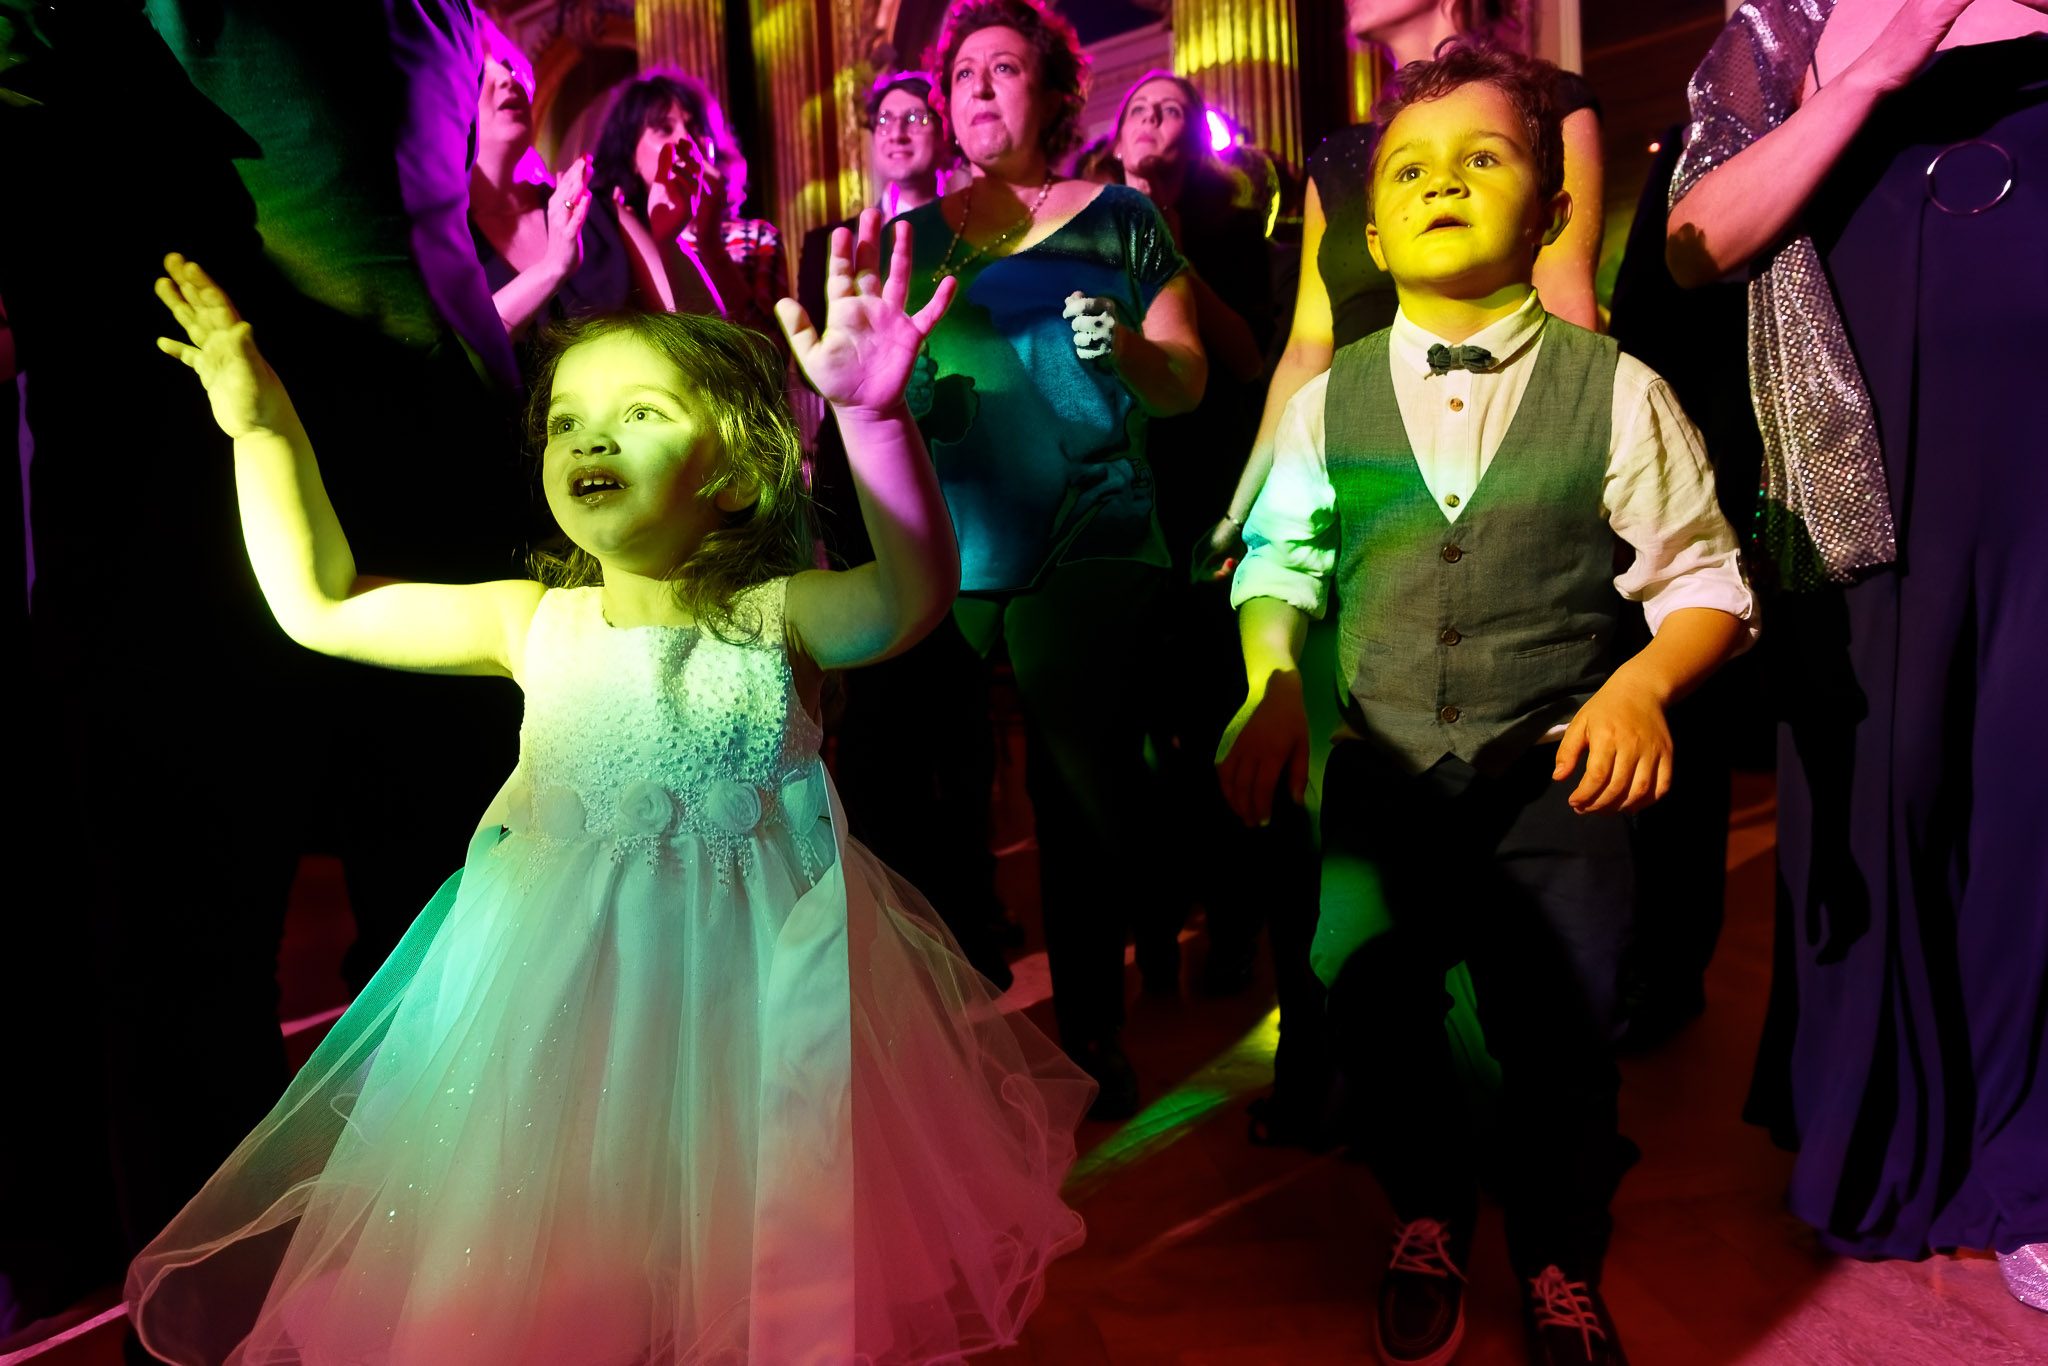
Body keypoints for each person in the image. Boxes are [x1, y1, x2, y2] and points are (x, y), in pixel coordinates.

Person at [126, 212, 1093, 1364]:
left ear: (733, 472)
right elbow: (319, 604)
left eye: (641, 414)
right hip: (551, 1022)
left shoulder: (771, 614)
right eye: (570, 420)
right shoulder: (529, 620)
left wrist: (872, 419)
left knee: (742, 1260)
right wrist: (259, 425)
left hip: (750, 1017)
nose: (595, 437)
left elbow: (906, 599)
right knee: (559, 1271)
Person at [1218, 43, 1755, 1366]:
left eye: (1483, 158)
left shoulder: (1617, 392)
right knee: (1379, 1009)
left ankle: (1562, 1250)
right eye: (1409, 169)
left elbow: (1708, 579)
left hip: (1555, 771)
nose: (1439, 183)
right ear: (1370, 223)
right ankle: (1425, 1210)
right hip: (1387, 772)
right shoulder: (1329, 397)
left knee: (1562, 1025)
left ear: (1555, 209)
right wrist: (1269, 683)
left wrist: (1642, 680)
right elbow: (1279, 559)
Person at [1666, 0, 2048, 1308]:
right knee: (1881, 801)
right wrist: (1884, 69)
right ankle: (1885, 1139)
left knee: (2032, 814)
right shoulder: (1787, 21)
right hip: (1862, 485)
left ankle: (2033, 1166)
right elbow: (1696, 237)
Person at [893, 0, 1207, 1119]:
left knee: (1079, 798)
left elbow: (1187, 377)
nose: (979, 87)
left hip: (1093, 534)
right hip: (950, 542)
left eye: (1006, 68)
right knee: (928, 797)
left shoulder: (1119, 216)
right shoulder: (914, 234)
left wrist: (1126, 347)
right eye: (963, 71)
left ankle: (1090, 1030)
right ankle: (934, 1037)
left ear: (1054, 93)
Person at [1086, 69, 1296, 1017]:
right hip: (1116, 502)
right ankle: (1153, 921)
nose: (1158, 120)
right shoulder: (1081, 224)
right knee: (1131, 730)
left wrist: (1165, 247)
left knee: (1215, 713)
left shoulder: (1225, 232)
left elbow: (1251, 356)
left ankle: (1234, 923)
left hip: (1207, 496)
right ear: (1115, 133)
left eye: (1175, 109)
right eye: (1143, 108)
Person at [467, 19, 716, 354]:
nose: (504, 77)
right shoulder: (448, 238)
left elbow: (700, 343)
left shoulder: (599, 211)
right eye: (479, 70)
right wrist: (551, 268)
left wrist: (669, 239)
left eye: (511, 65)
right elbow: (459, 355)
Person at [592, 71, 789, 337]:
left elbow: (771, 353)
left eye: (696, 127)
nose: (686, 139)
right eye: (664, 128)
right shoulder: (621, 242)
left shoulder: (755, 238)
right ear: (630, 156)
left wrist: (710, 244)